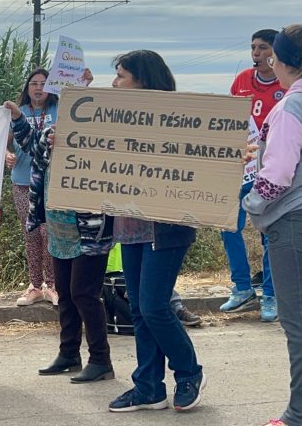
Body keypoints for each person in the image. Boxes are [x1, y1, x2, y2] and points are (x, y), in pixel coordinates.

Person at [241, 20, 302, 426]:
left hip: (297, 223)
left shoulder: (293, 105)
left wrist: (252, 202)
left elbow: (278, 175)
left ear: (279, 60)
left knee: (299, 323)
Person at [106, 50, 205, 413]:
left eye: (121, 76)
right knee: (139, 309)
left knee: (153, 306)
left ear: (143, 81)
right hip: (130, 227)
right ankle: (148, 387)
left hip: (166, 228)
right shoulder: (115, 122)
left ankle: (189, 372)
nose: (115, 84)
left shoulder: (177, 119)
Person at [4, 67, 116, 384]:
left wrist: (85, 84)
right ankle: (69, 353)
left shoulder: (99, 133)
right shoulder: (51, 131)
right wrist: (15, 115)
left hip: (91, 228)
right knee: (65, 293)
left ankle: (101, 360)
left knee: (84, 293)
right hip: (59, 226)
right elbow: (27, 143)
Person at [219, 29, 284, 322]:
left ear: (276, 53)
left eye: (263, 48)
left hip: (271, 167)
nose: (256, 53)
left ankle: (271, 294)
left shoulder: (286, 85)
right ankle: (243, 288)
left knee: (268, 232)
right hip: (241, 165)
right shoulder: (243, 80)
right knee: (228, 224)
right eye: (253, 48)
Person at [7, 68, 58, 307]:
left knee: (49, 232)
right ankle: (35, 286)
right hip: (22, 181)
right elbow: (2, 144)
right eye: (34, 83)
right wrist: (6, 154)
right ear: (27, 89)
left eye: (43, 83)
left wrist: (84, 84)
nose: (39, 88)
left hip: (51, 182)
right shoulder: (17, 113)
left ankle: (53, 285)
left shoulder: (59, 110)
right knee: (31, 234)